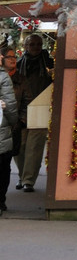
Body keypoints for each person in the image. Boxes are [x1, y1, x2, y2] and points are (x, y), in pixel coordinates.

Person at [11, 33, 53, 193]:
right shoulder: (18, 64)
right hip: (21, 110)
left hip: (41, 109)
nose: (36, 47)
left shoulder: (49, 64)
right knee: (19, 146)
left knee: (34, 148)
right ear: (25, 46)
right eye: (32, 44)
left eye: (38, 44)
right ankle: (22, 176)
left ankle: (29, 180)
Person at [0, 67, 16, 212]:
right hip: (2, 130)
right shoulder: (3, 76)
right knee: (3, 169)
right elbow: (10, 106)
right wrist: (12, 122)